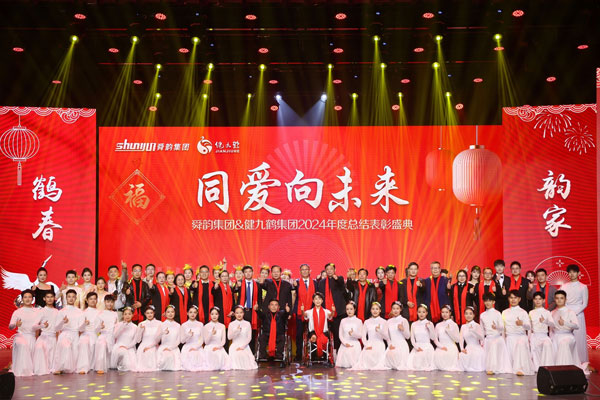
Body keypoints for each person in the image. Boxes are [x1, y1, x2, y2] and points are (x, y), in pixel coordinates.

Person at [559, 264, 588, 364]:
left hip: (578, 314)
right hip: (566, 313)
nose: (572, 274)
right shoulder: (564, 286)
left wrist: (575, 313)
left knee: (579, 337)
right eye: (570, 272)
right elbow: (560, 299)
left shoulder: (583, 287)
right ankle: (568, 360)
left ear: (578, 273)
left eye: (574, 272)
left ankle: (580, 360)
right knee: (567, 336)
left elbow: (585, 304)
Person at [502, 290, 534, 375]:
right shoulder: (504, 312)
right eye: (511, 298)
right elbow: (503, 329)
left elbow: (529, 327)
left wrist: (522, 323)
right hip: (509, 338)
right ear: (508, 299)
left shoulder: (523, 312)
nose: (513, 300)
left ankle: (521, 369)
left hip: (520, 337)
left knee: (520, 346)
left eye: (515, 298)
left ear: (519, 299)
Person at [479, 292, 512, 375]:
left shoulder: (497, 313)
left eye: (489, 300)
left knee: (494, 345)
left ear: (493, 302)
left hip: (497, 338)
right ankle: (489, 368)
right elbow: (482, 330)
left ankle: (493, 368)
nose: (487, 303)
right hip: (487, 339)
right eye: (486, 301)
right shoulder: (482, 315)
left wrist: (496, 327)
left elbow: (502, 327)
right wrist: (481, 341)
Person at [551, 290, 585, 369]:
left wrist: (565, 323)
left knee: (563, 344)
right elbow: (551, 329)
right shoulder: (552, 312)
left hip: (568, 336)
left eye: (561, 298)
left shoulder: (570, 312)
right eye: (557, 298)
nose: (559, 300)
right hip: (555, 337)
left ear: (565, 299)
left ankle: (564, 369)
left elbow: (577, 326)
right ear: (555, 299)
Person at [9, 289, 39, 376]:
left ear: (32, 299)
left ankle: (30, 369)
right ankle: (22, 370)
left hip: (32, 336)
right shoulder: (17, 312)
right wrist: (16, 324)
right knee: (23, 345)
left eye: (29, 297)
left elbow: (39, 327)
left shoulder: (37, 311)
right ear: (22, 299)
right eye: (25, 297)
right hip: (21, 336)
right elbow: (10, 327)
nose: (27, 299)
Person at [53, 289, 84, 374]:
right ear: (66, 298)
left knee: (75, 352)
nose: (71, 298)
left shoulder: (80, 312)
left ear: (76, 298)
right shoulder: (61, 312)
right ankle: (60, 368)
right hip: (65, 334)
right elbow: (56, 328)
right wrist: (63, 322)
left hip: (75, 334)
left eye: (73, 297)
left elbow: (81, 329)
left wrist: (84, 324)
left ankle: (76, 368)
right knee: (65, 346)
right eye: (69, 297)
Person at [316, 263, 346, 349]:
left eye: (331, 269)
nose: (329, 271)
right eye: (327, 269)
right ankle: (326, 351)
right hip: (325, 312)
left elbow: (343, 288)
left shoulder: (339, 279)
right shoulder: (322, 282)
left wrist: (337, 279)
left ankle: (337, 351)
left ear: (335, 270)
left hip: (338, 311)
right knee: (325, 333)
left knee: (337, 333)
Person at [351, 302, 389, 370]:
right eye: (373, 309)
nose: (375, 311)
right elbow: (363, 336)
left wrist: (380, 331)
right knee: (366, 359)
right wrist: (366, 345)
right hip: (369, 343)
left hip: (379, 344)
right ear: (370, 310)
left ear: (380, 310)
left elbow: (386, 337)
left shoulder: (384, 321)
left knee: (377, 358)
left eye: (377, 309)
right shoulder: (367, 322)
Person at [33, 291, 59, 375]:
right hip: (44, 337)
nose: (50, 299)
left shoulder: (57, 312)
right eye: (47, 297)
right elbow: (34, 326)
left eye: (51, 297)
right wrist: (42, 326)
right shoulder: (41, 311)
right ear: (44, 299)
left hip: (53, 337)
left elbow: (58, 328)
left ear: (54, 298)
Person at [293, 263, 316, 361]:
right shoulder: (296, 283)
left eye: (306, 269)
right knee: (299, 334)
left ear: (309, 271)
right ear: (300, 271)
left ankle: (313, 355)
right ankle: (298, 355)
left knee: (313, 333)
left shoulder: (315, 283)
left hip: (312, 312)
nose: (305, 271)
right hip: (300, 312)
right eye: (303, 269)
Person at [528, 292, 555, 370]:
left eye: (540, 299)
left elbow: (553, 324)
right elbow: (529, 327)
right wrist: (529, 338)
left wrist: (545, 321)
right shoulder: (531, 312)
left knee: (547, 345)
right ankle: (537, 368)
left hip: (544, 336)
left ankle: (547, 367)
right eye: (536, 299)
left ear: (543, 300)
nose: (537, 301)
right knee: (535, 354)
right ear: (533, 300)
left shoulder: (547, 312)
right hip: (534, 336)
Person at [303, 292, 333, 361]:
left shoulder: (326, 311)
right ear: (313, 301)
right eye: (316, 299)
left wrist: (333, 311)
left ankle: (323, 355)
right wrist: (302, 310)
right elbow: (304, 315)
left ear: (322, 300)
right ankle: (314, 355)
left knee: (322, 339)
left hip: (323, 332)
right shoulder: (310, 311)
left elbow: (331, 315)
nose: (318, 300)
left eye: (319, 299)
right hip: (313, 332)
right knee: (313, 337)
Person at [76, 292, 101, 374]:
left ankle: (96, 366)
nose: (93, 301)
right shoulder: (83, 313)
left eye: (94, 299)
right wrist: (84, 324)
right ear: (87, 300)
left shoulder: (100, 312)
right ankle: (83, 367)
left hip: (96, 334)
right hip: (85, 333)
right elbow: (80, 329)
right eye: (91, 299)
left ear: (97, 300)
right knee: (84, 342)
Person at [94, 294, 119, 374]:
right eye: (108, 302)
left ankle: (109, 365)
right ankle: (100, 367)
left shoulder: (115, 314)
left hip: (112, 336)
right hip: (103, 335)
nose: (110, 304)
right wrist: (100, 327)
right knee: (102, 345)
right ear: (104, 302)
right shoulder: (100, 313)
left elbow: (117, 326)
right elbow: (96, 329)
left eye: (111, 302)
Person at [406, 305, 436, 371]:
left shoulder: (430, 323)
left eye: (423, 312)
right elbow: (412, 339)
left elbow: (433, 338)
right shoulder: (414, 324)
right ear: (417, 313)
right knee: (413, 364)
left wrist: (430, 328)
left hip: (427, 347)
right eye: (419, 312)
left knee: (423, 360)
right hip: (417, 346)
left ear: (426, 313)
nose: (421, 314)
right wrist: (416, 347)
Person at [237, 265, 260, 351]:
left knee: (252, 333)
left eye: (250, 271)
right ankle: (241, 351)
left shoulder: (257, 284)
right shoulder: (239, 284)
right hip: (242, 311)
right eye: (246, 272)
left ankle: (251, 353)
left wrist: (258, 308)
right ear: (243, 274)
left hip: (253, 312)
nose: (248, 273)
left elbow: (259, 299)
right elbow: (234, 292)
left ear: (253, 273)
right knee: (241, 332)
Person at [228, 305, 258, 370]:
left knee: (245, 359)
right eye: (237, 313)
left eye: (241, 312)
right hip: (235, 346)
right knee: (237, 356)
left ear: (243, 313)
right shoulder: (231, 324)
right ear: (234, 314)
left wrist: (243, 347)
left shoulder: (247, 324)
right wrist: (236, 331)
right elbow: (229, 337)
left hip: (245, 346)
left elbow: (249, 337)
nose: (239, 314)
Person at [336, 301, 363, 368]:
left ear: (354, 309)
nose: (349, 311)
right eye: (347, 309)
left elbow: (361, 335)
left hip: (355, 344)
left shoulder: (359, 321)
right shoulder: (343, 320)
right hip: (345, 343)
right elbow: (340, 335)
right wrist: (345, 343)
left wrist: (353, 334)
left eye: (351, 309)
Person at [433, 305, 461, 371]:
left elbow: (457, 340)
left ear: (450, 313)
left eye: (446, 312)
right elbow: (435, 339)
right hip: (441, 347)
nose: (444, 314)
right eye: (443, 312)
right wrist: (441, 346)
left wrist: (449, 331)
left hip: (451, 347)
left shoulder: (454, 324)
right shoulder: (438, 325)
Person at [384, 301, 410, 370]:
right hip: (392, 344)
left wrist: (403, 329)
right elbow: (387, 336)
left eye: (397, 308)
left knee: (399, 362)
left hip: (402, 345)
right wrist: (389, 344)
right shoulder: (388, 321)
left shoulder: (404, 320)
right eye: (393, 308)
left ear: (400, 309)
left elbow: (408, 336)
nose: (395, 310)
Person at [458, 307, 484, 372]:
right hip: (468, 347)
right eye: (466, 313)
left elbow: (481, 338)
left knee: (476, 355)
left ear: (473, 315)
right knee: (462, 355)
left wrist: (474, 331)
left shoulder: (477, 325)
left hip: (477, 347)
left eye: (470, 313)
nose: (468, 315)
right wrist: (462, 349)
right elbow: (461, 339)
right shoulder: (463, 326)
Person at [136, 306, 162, 372]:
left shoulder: (159, 323)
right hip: (143, 344)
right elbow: (138, 340)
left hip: (154, 345)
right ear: (145, 314)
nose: (149, 315)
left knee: (151, 352)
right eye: (147, 313)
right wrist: (140, 330)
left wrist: (150, 346)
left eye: (151, 313)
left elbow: (159, 338)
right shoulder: (141, 324)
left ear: (154, 313)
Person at [111, 307, 138, 371]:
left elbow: (135, 340)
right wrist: (122, 326)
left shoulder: (135, 327)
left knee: (130, 365)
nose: (127, 316)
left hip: (129, 347)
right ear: (123, 315)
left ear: (132, 315)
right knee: (121, 351)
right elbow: (115, 336)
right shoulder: (118, 324)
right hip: (119, 345)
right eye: (125, 314)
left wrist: (127, 347)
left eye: (129, 314)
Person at [181, 306, 206, 371]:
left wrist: (196, 347)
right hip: (187, 346)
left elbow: (202, 339)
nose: (192, 314)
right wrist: (188, 335)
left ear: (197, 313)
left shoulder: (200, 324)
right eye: (191, 312)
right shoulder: (184, 325)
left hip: (198, 346)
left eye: (194, 312)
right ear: (187, 313)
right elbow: (182, 341)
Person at [157, 305, 182, 371]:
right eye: (168, 312)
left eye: (172, 312)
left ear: (175, 313)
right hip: (164, 347)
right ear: (165, 313)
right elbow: (157, 339)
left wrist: (170, 348)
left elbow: (179, 339)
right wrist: (163, 333)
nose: (170, 314)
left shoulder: (178, 325)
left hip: (174, 348)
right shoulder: (161, 324)